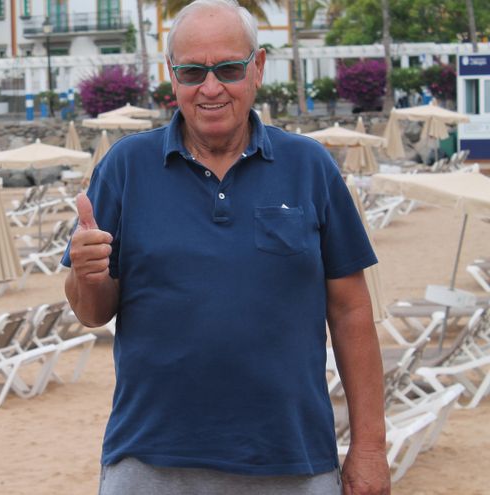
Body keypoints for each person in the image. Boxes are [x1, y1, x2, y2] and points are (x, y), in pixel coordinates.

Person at [62, 1, 390, 494]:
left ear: (256, 68)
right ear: (171, 76)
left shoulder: (309, 166)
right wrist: (85, 276)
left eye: (228, 69)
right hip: (150, 463)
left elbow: (351, 314)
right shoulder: (126, 166)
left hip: (293, 461)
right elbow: (93, 313)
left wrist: (369, 448)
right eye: (192, 71)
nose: (210, 87)